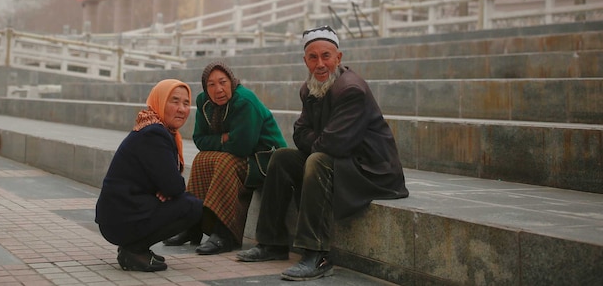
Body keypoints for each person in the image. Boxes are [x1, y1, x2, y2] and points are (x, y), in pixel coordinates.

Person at [236, 25, 409, 281]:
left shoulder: (352, 89)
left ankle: (317, 255)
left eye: (326, 56)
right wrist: (318, 140)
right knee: (282, 157)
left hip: (371, 169)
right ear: (305, 60)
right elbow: (299, 133)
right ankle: (272, 243)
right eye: (313, 57)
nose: (320, 64)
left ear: (338, 58)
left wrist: (316, 140)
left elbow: (333, 145)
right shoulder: (309, 88)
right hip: (341, 159)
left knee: (318, 160)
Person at [163, 61, 287, 255]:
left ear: (231, 81)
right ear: (205, 87)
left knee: (224, 161)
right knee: (201, 159)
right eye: (211, 84)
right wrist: (224, 137)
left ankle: (225, 233)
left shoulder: (245, 101)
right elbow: (199, 139)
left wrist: (223, 141)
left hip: (264, 160)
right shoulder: (204, 101)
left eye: (222, 82)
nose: (218, 89)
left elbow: (242, 146)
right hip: (239, 155)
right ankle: (192, 225)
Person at [94, 79, 203, 272]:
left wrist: (167, 188)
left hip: (121, 214)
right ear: (159, 101)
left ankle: (137, 246)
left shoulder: (154, 128)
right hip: (120, 218)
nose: (181, 109)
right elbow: (175, 187)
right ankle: (133, 250)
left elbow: (169, 184)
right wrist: (166, 189)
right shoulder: (154, 134)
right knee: (191, 206)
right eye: (174, 101)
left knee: (186, 200)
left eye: (186, 103)